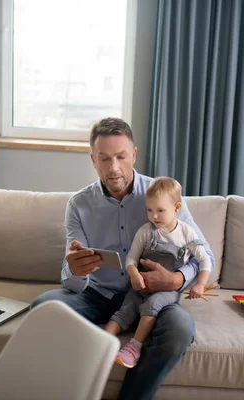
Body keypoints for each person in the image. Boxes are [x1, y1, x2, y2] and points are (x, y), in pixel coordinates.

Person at [31, 117, 215, 400]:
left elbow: (204, 255)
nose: (113, 168)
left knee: (180, 328)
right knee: (43, 308)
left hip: (152, 296)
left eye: (121, 157)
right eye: (104, 159)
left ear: (134, 155)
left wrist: (176, 279)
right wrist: (76, 268)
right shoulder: (79, 205)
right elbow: (71, 279)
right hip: (98, 294)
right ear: (93, 160)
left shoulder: (162, 195)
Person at [105, 176, 212, 369]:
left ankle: (134, 347)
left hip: (167, 291)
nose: (154, 216)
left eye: (160, 210)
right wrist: (135, 274)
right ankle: (101, 342)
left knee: (153, 304)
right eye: (149, 210)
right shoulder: (146, 231)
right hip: (141, 285)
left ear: (177, 208)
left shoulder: (186, 233)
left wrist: (200, 284)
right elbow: (131, 258)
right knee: (126, 308)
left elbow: (205, 260)